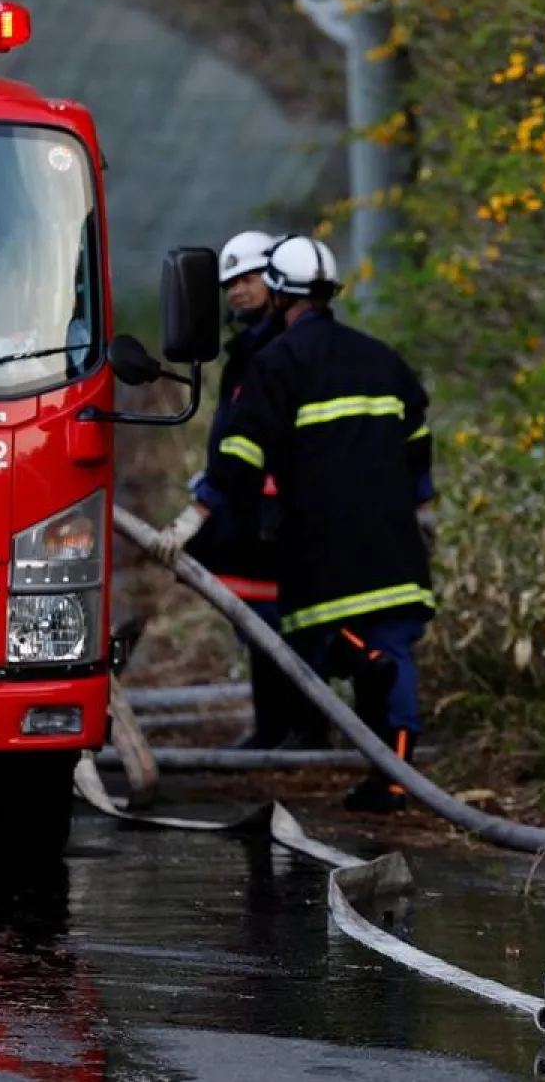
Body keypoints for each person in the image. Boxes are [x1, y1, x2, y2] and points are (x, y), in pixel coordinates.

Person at [148, 234, 437, 813]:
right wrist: (423, 511)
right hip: (394, 542)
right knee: (391, 647)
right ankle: (397, 779)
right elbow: (418, 441)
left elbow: (240, 455)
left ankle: (368, 691)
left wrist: (191, 517)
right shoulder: (382, 356)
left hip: (324, 546)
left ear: (279, 295)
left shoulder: (277, 364)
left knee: (318, 641)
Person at [184, 229, 302, 749]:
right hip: (245, 507)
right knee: (255, 620)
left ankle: (292, 727)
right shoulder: (252, 349)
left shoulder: (280, 350)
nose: (236, 291)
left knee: (275, 620)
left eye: (248, 279)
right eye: (230, 282)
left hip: (272, 511)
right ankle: (277, 726)